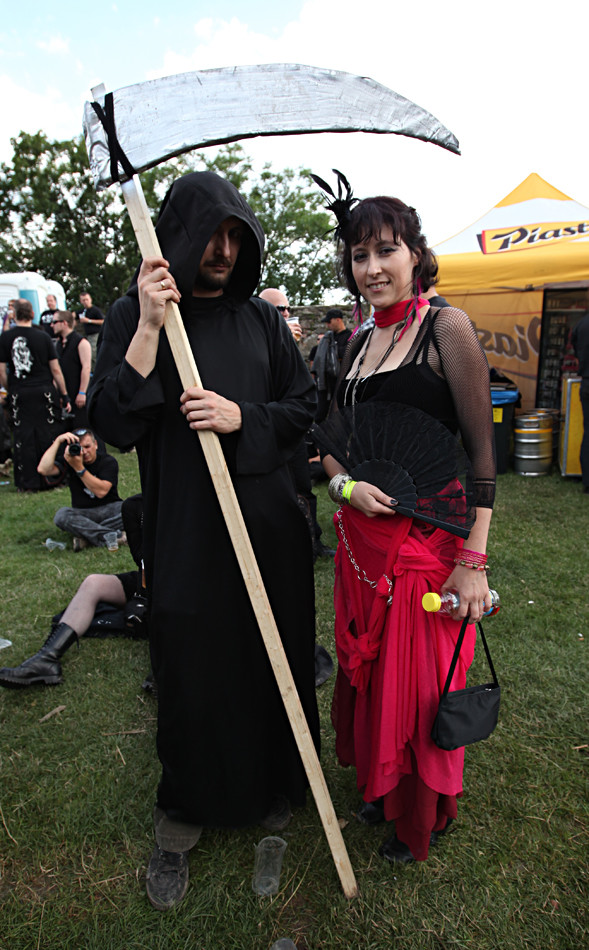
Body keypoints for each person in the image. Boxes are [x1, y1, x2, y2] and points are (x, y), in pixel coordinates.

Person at [88, 171, 320, 910]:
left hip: (268, 528)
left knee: (269, 656)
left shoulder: (258, 321)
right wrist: (153, 329)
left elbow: (302, 409)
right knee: (190, 665)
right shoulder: (133, 315)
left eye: (235, 236)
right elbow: (113, 426)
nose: (222, 250)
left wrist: (239, 416)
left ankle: (272, 784)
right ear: (180, 236)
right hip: (187, 529)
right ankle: (183, 812)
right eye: (211, 234)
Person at [314, 181, 496, 865]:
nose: (371, 268)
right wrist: (345, 485)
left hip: (428, 541)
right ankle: (382, 787)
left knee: (416, 684)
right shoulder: (357, 341)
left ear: (415, 254)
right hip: (363, 544)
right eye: (358, 256)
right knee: (369, 673)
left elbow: (482, 454)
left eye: (385, 250)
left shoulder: (444, 327)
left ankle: (419, 812)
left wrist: (471, 562)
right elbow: (334, 441)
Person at [0, 493, 147, 689]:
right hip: (149, 577)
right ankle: (47, 659)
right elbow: (141, 559)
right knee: (93, 583)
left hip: (182, 583)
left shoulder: (189, 504)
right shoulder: (135, 507)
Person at [0, 298, 71, 491]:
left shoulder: (5, 338)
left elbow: (2, 371)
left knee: (23, 437)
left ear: (15, 315)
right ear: (32, 314)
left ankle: (27, 482)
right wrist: (64, 394)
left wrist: (12, 387)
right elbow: (55, 370)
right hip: (43, 390)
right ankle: (51, 479)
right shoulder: (43, 337)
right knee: (48, 434)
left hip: (19, 392)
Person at [37, 428, 124, 549]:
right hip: (83, 512)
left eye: (88, 446)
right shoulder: (70, 461)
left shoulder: (108, 461)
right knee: (61, 516)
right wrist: (57, 441)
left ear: (96, 445)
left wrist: (79, 468)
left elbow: (101, 491)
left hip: (109, 509)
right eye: (80, 448)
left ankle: (87, 537)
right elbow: (43, 469)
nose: (84, 452)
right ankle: (111, 536)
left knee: (138, 506)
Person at [52, 310, 92, 430]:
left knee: (82, 431)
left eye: (54, 322)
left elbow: (86, 367)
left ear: (64, 323)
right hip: (65, 395)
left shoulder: (81, 342)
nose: (51, 325)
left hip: (78, 394)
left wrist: (82, 392)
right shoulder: (58, 344)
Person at [313, 308, 352, 421]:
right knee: (320, 412)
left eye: (329, 321)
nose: (327, 325)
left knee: (339, 413)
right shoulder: (328, 337)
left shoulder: (349, 337)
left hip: (341, 380)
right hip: (326, 381)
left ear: (338, 320)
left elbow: (347, 354)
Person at [571, 295, 589, 493]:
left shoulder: (582, 324)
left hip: (586, 382)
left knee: (588, 431)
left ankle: (586, 480)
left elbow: (574, 345)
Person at [77, 291, 104, 368]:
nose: (85, 302)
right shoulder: (82, 311)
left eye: (86, 299)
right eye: (83, 300)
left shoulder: (95, 310)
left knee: (93, 354)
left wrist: (88, 320)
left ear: (90, 299)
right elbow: (72, 316)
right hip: (87, 336)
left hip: (95, 335)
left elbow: (103, 321)